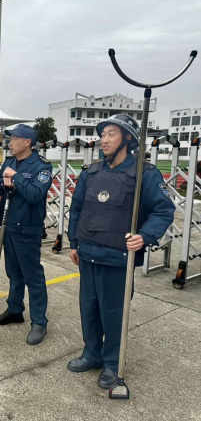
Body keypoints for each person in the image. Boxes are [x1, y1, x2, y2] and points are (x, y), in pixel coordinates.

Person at [66, 114, 175, 389]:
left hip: (117, 258)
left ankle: (113, 363)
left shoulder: (144, 174)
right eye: (102, 135)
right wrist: (74, 243)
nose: (104, 140)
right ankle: (92, 354)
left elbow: (163, 210)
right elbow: (77, 208)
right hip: (87, 253)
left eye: (111, 134)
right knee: (88, 308)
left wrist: (144, 236)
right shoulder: (90, 172)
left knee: (113, 313)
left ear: (128, 138)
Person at [0, 124, 52, 345]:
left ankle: (39, 322)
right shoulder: (9, 162)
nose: (10, 143)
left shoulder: (42, 166)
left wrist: (15, 178)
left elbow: (35, 194)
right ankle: (15, 309)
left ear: (27, 142)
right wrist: (4, 182)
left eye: (14, 139)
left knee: (33, 276)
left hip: (27, 227)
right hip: (8, 225)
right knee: (13, 272)